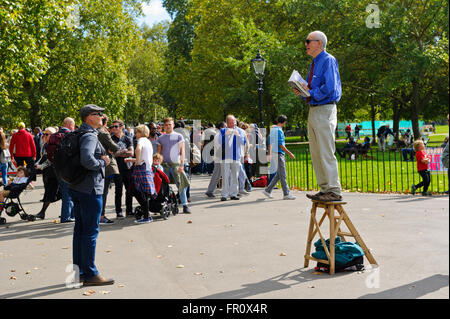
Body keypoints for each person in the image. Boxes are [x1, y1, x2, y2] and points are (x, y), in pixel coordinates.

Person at [292, 30, 342, 202]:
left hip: (324, 109)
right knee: (316, 152)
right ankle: (324, 188)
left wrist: (309, 92)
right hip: (314, 109)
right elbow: (313, 90)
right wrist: (302, 90)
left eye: (308, 41)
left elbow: (331, 88)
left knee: (326, 151)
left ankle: (334, 190)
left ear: (319, 43)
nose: (305, 44)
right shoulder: (314, 63)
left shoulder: (328, 60)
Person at [68, 104, 114, 286]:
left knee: (80, 231)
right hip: (90, 189)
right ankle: (90, 273)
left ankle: (79, 272)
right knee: (90, 232)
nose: (102, 116)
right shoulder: (89, 136)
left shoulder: (80, 133)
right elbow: (88, 160)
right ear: (89, 117)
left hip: (78, 187)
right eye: (98, 114)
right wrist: (102, 162)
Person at [157, 118, 191, 213]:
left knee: (181, 184)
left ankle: (185, 205)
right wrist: (157, 165)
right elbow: (159, 153)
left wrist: (182, 164)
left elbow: (182, 151)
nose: (168, 126)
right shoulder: (160, 138)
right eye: (166, 124)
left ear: (173, 125)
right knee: (163, 186)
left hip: (176, 164)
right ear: (164, 126)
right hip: (164, 165)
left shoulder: (179, 136)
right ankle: (165, 204)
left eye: (170, 124)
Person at [46, 117, 76, 223]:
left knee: (65, 191)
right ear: (70, 125)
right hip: (67, 168)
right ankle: (66, 216)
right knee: (69, 192)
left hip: (56, 167)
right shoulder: (70, 135)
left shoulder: (53, 136)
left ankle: (71, 214)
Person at [125, 124, 156, 224]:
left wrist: (137, 161)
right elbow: (145, 157)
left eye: (137, 131)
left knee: (136, 191)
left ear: (141, 132)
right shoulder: (148, 141)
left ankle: (146, 216)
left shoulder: (141, 140)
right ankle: (146, 215)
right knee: (142, 192)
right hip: (146, 168)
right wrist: (132, 159)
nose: (135, 133)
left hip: (141, 168)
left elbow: (138, 150)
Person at [262, 115, 296, 200]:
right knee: (283, 174)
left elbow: (270, 143)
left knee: (279, 175)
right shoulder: (279, 131)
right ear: (284, 122)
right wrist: (290, 153)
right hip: (279, 153)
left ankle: (268, 190)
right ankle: (286, 194)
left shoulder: (273, 130)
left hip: (274, 153)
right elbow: (281, 145)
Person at [34, 127, 62, 220]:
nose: (44, 136)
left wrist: (40, 166)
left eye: (47, 134)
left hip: (54, 173)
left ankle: (42, 213)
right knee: (54, 193)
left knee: (51, 193)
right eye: (44, 134)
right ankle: (67, 211)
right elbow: (42, 158)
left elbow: (51, 160)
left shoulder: (55, 145)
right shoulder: (45, 145)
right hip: (47, 173)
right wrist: (37, 164)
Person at [97, 115, 120, 225]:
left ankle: (98, 215)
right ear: (105, 123)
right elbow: (114, 147)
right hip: (106, 165)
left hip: (94, 164)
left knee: (98, 192)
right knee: (103, 192)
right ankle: (101, 216)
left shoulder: (91, 131)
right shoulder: (103, 132)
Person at [218, 115, 246, 201]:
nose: (231, 124)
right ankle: (224, 194)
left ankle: (234, 193)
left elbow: (243, 142)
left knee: (235, 176)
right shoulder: (222, 131)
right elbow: (219, 142)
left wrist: (238, 136)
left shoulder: (240, 131)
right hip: (225, 157)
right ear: (226, 123)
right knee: (225, 176)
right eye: (229, 123)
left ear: (235, 122)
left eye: (233, 122)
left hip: (236, 157)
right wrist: (225, 136)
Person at [111, 119, 134, 218]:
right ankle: (118, 211)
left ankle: (129, 210)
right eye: (113, 127)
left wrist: (119, 153)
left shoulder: (127, 138)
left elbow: (131, 153)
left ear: (122, 127)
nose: (114, 129)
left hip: (128, 168)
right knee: (118, 190)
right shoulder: (111, 139)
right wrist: (124, 151)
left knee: (129, 190)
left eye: (116, 126)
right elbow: (113, 154)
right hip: (117, 168)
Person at [205, 121, 226, 198]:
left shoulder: (218, 134)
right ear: (221, 127)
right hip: (219, 157)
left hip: (219, 156)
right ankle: (209, 191)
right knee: (217, 174)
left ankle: (210, 190)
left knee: (217, 174)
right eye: (225, 126)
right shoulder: (219, 135)